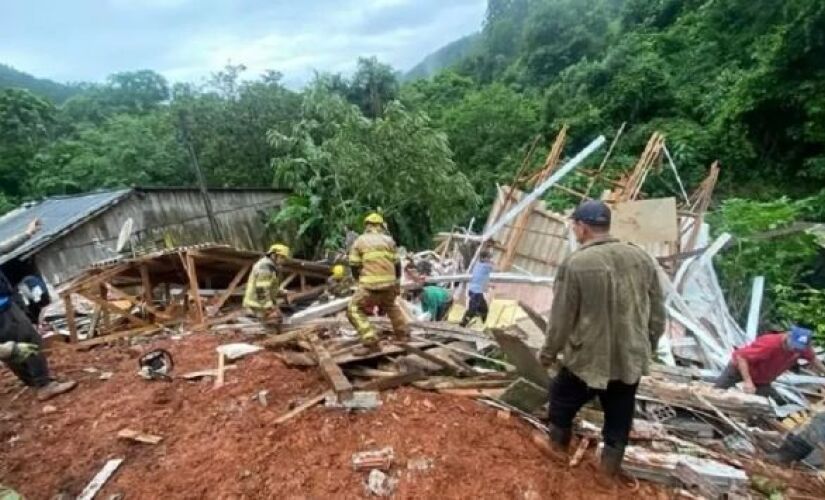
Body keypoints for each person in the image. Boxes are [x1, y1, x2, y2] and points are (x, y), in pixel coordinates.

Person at [539, 200, 666, 476]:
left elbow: (561, 319)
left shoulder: (575, 264)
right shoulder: (641, 258)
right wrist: (648, 344)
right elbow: (657, 310)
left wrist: (548, 353)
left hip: (588, 358)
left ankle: (556, 454)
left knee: (561, 402)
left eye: (575, 225)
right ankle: (608, 472)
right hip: (628, 357)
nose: (575, 230)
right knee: (620, 414)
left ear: (582, 227)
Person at [0, 219, 77, 400]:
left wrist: (28, 234)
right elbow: (3, 248)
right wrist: (28, 234)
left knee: (7, 348)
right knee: (31, 339)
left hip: (5, 306)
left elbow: (4, 247)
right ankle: (44, 384)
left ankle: (32, 381)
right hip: (4, 309)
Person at [347, 212, 408, 347]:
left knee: (353, 308)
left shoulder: (360, 241)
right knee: (391, 306)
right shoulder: (389, 241)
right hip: (389, 285)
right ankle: (403, 335)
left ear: (366, 226)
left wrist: (359, 281)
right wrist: (397, 283)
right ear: (381, 226)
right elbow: (398, 264)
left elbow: (354, 265)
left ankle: (370, 340)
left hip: (370, 286)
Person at [714, 326, 825, 398]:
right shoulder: (770, 344)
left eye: (799, 348)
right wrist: (748, 381)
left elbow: (813, 359)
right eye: (794, 346)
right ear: (788, 335)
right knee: (716, 394)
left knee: (772, 403)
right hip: (739, 369)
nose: (796, 350)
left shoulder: (802, 347)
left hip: (762, 379)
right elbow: (742, 358)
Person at [243, 243, 290, 324]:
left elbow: (269, 285)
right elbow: (261, 290)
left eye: (284, 258)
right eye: (282, 257)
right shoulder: (264, 267)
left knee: (280, 320)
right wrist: (269, 308)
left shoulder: (271, 267)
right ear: (273, 255)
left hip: (262, 302)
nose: (283, 260)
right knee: (275, 322)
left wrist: (280, 291)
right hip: (257, 304)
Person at [459, 250, 493, 327]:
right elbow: (497, 269)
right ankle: (463, 323)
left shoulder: (477, 264)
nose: (490, 259)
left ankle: (478, 324)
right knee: (473, 309)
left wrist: (489, 285)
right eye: (488, 258)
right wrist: (493, 263)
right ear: (484, 258)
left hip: (474, 290)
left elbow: (481, 278)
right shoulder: (486, 266)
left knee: (483, 309)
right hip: (476, 292)